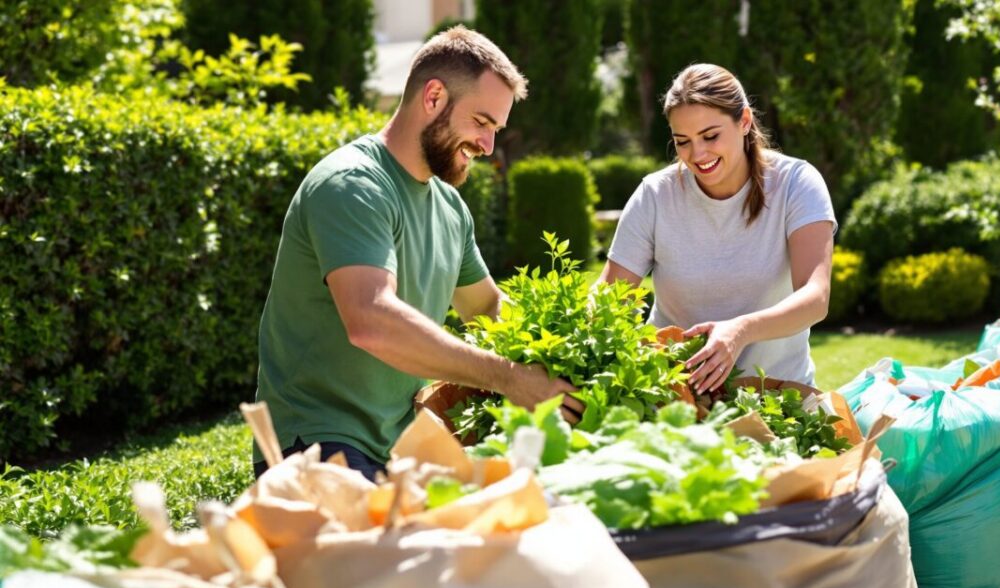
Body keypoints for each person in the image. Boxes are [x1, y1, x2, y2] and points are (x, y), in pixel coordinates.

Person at [254, 26, 580, 481]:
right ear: (433, 98)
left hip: (403, 447)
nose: (488, 146)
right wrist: (508, 376)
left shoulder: (450, 208)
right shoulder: (353, 184)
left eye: (496, 130)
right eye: (482, 123)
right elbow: (372, 321)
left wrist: (561, 361)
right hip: (318, 444)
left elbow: (486, 308)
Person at [602, 64, 835, 394]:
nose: (698, 154)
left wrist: (740, 330)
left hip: (779, 396)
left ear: (744, 121)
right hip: (678, 396)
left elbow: (815, 297)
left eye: (710, 136)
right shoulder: (656, 195)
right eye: (682, 141)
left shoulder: (796, 184)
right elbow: (610, 301)